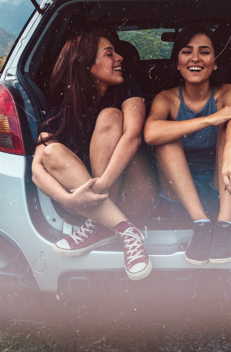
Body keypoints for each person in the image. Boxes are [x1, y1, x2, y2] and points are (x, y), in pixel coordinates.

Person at [32, 31, 157, 280]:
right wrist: (67, 201)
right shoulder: (61, 109)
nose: (120, 57)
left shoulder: (128, 90)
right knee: (51, 151)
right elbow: (37, 169)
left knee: (110, 116)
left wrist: (100, 189)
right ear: (85, 64)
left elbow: (133, 135)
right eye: (109, 54)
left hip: (135, 196)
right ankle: (125, 230)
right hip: (86, 206)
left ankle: (102, 225)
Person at [143, 26, 231, 267]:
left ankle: (226, 226)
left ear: (215, 63)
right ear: (178, 62)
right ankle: (201, 225)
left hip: (226, 187)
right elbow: (151, 134)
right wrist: (209, 119)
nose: (195, 59)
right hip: (182, 197)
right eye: (186, 51)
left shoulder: (229, 92)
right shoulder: (166, 98)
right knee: (165, 135)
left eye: (204, 52)